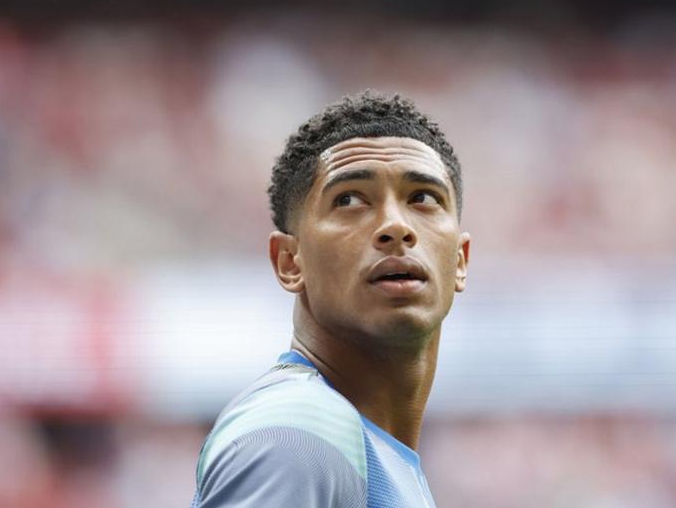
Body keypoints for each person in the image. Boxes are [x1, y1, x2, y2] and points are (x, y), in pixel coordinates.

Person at [191, 91, 470, 507]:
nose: (396, 226)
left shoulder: (367, 450)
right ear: (289, 261)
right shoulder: (297, 432)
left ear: (460, 259)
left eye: (422, 198)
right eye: (349, 199)